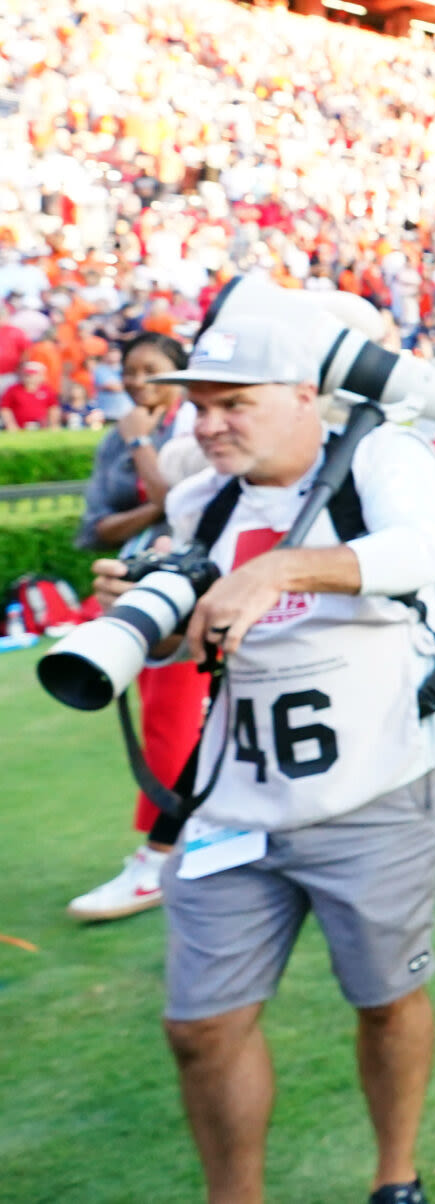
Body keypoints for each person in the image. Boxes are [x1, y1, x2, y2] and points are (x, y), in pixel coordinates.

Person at [96, 306, 435, 1204]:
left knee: (383, 1000)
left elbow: (417, 552)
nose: (209, 422)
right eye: (199, 405)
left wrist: (281, 569)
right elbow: (197, 648)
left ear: (306, 395)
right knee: (201, 1028)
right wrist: (149, 617)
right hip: (235, 799)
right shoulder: (197, 498)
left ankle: (395, 1176)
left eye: (234, 402)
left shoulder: (381, 455)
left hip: (376, 788)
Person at [67, 331, 203, 921]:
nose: (135, 380)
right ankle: (181, 842)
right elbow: (98, 526)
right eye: (128, 370)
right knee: (162, 715)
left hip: (191, 588)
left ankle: (161, 854)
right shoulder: (112, 442)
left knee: (175, 718)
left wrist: (144, 445)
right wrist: (152, 507)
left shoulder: (198, 425)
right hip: (133, 591)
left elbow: (186, 505)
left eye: (150, 369)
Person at [2, 354, 60, 428]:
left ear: (41, 376)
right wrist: (11, 425)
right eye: (27, 374)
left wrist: (53, 424)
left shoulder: (47, 390)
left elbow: (53, 408)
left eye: (32, 374)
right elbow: (5, 408)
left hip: (41, 427)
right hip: (19, 428)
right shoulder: (13, 390)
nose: (29, 377)